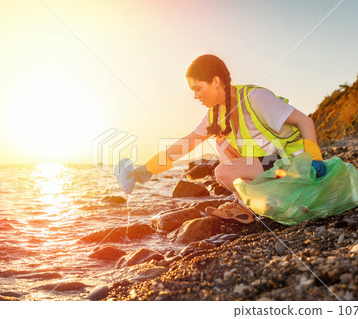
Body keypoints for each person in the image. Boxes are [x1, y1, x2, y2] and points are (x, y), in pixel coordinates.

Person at [129, 54, 326, 224]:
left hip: (296, 163)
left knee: (223, 171)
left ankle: (258, 203)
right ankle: (245, 207)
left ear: (216, 81)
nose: (195, 96)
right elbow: (187, 142)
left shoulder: (255, 98)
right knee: (221, 142)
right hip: (272, 164)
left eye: (197, 89)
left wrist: (315, 159)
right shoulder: (215, 114)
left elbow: (305, 121)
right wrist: (147, 168)